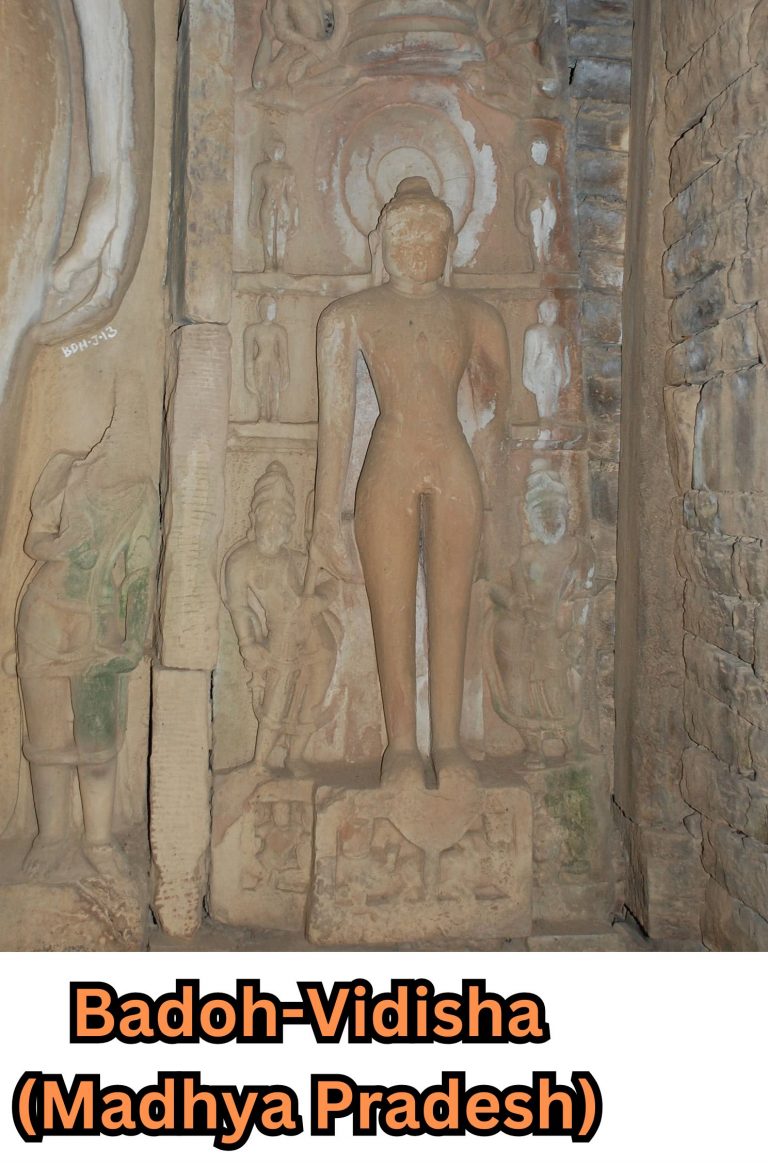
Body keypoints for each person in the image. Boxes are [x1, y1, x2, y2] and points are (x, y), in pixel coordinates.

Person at [310, 177, 537, 787]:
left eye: (428, 236)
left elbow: (494, 424)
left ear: (450, 245)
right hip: (389, 460)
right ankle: (403, 748)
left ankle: (450, 744)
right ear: (380, 242)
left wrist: (503, 516)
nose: (415, 247)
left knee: (452, 605)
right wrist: (324, 520)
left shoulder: (477, 317)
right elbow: (336, 425)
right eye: (403, 235)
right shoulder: (349, 317)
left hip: (453, 462)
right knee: (391, 609)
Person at [15, 402, 157, 879]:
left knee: (97, 739)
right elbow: (35, 539)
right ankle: (51, 836)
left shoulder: (140, 496)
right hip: (44, 616)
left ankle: (97, 838)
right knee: (45, 738)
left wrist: (133, 639)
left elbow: (139, 573)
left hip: (98, 620)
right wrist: (59, 546)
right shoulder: (66, 472)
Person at [222, 461, 338, 777]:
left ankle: (295, 755)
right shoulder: (241, 561)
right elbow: (238, 606)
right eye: (268, 514)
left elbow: (331, 581)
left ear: (290, 523)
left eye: (282, 517)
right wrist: (248, 643)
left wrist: (318, 600)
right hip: (282, 633)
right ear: (254, 516)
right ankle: (260, 763)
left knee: (313, 695)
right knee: (276, 697)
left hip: (315, 633)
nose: (275, 523)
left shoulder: (295, 559)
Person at [248, 138, 299, 272]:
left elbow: (292, 197)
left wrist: (295, 220)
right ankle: (269, 265)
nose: (277, 151)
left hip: (283, 206)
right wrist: (251, 217)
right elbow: (256, 195)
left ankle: (280, 265)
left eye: (280, 148)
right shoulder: (260, 169)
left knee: (281, 235)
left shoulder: (288, 171)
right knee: (268, 234)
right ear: (268, 150)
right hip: (267, 205)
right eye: (274, 148)